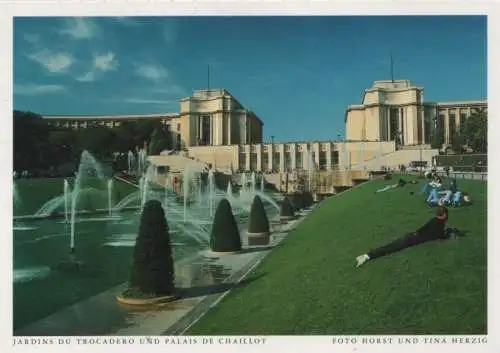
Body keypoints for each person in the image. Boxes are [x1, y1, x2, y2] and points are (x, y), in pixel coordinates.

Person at [356, 206, 449, 267]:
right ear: (444, 215)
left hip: (412, 236)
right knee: (391, 248)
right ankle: (366, 256)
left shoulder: (433, 220)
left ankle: (366, 255)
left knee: (390, 246)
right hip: (411, 240)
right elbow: (440, 236)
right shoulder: (439, 224)